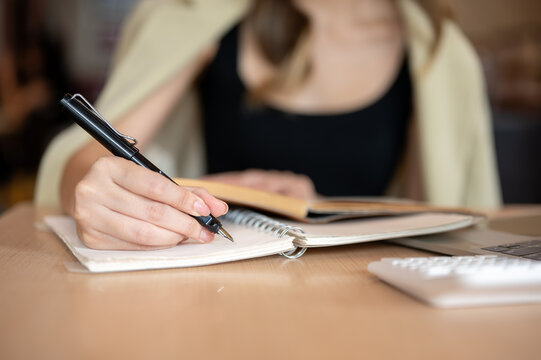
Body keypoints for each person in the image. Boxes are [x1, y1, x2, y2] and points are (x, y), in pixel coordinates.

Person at [35, 0, 502, 250]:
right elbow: (84, 161)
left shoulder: (439, 58)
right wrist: (101, 197)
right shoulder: (195, 15)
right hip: (212, 300)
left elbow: (441, 222)